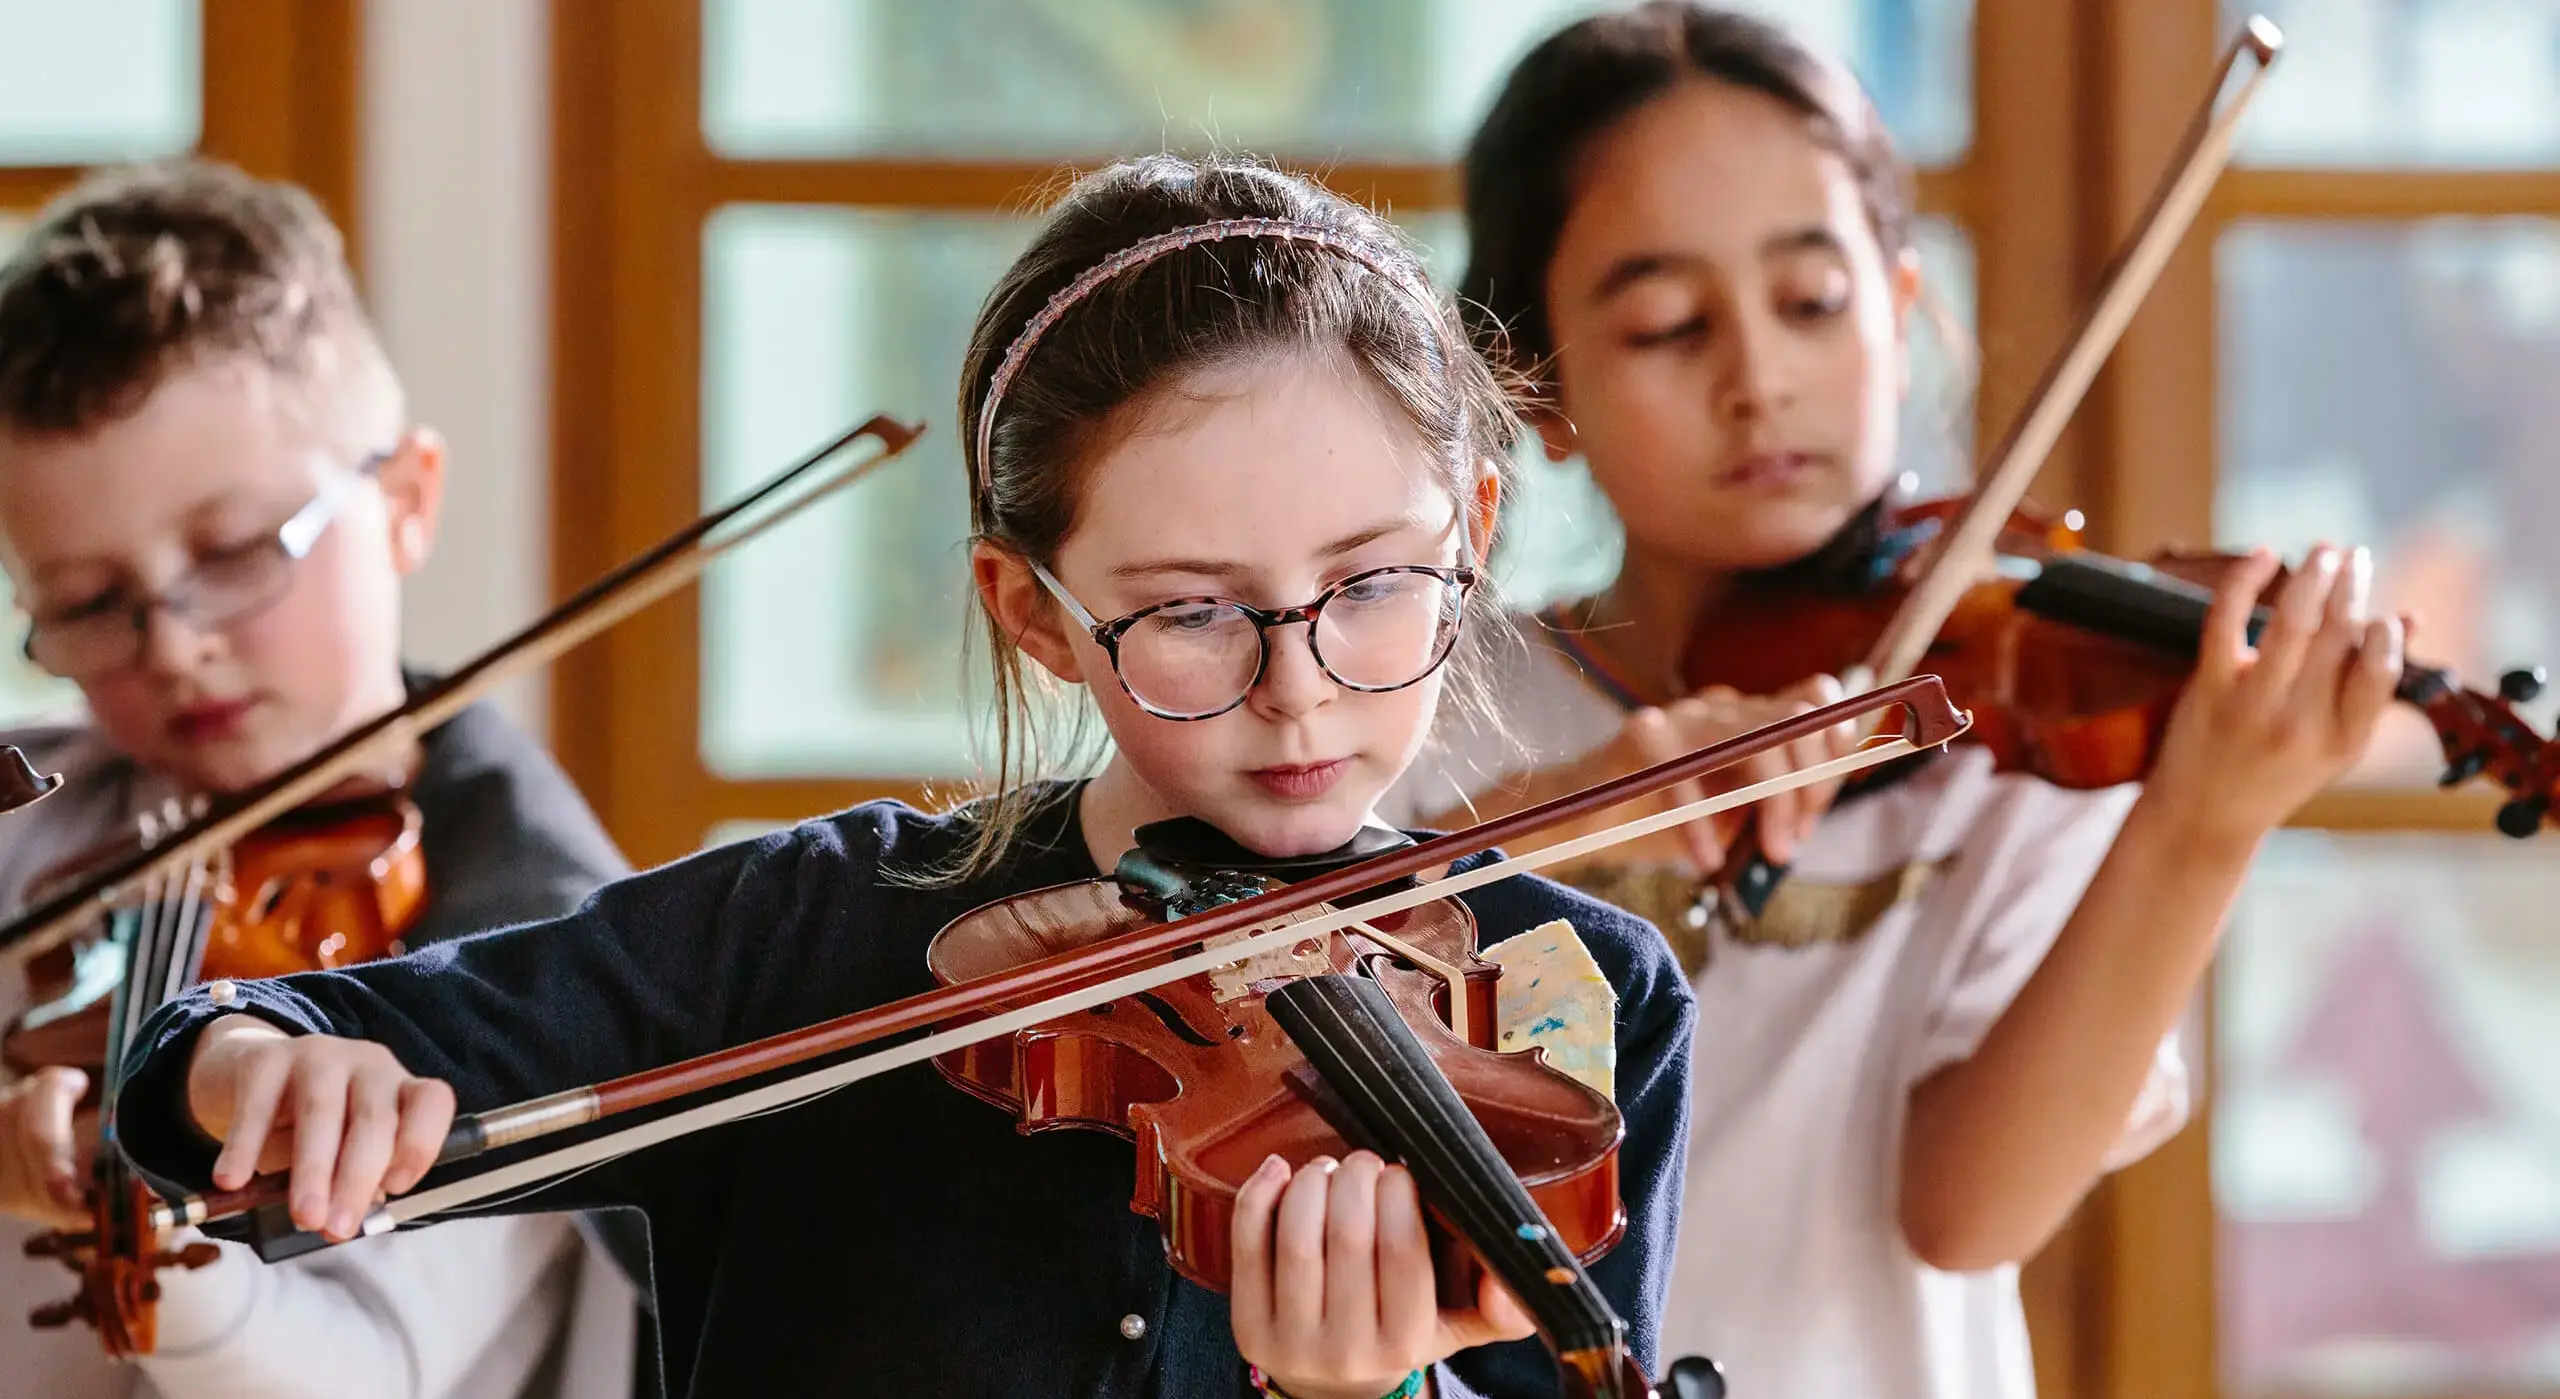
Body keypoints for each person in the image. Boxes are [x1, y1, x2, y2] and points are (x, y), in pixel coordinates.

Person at [106, 154, 1699, 1399]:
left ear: (1474, 531)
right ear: (1037, 614)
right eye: (1196, 614)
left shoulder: (1569, 1005)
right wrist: (257, 1070)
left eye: (1370, 585)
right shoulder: (813, 933)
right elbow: (220, 1062)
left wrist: (1378, 1386)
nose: (1298, 692)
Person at [1379, 6, 2405, 1397]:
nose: (1760, 380)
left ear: (1907, 315)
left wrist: (2205, 824)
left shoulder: (2014, 729)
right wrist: (1556, 819)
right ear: (1537, 389)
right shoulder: (1425, 704)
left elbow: (1969, 1210)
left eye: (1813, 302)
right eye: (1670, 324)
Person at [0, 160, 647, 1399]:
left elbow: (358, 1370)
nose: (176, 643)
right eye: (88, 604)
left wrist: (134, 1207)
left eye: (238, 551)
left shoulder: (539, 942)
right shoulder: (38, 823)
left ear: (406, 501)